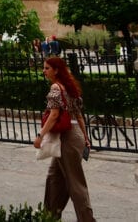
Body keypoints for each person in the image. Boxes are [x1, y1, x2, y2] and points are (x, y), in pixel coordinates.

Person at [33, 56, 94, 222]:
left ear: (56, 70)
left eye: (47, 68)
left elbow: (53, 115)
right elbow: (79, 115)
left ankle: (87, 219)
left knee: (75, 182)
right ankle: (50, 216)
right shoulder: (69, 86)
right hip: (75, 135)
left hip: (67, 137)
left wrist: (40, 136)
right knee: (54, 177)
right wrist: (85, 137)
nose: (44, 71)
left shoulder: (55, 87)